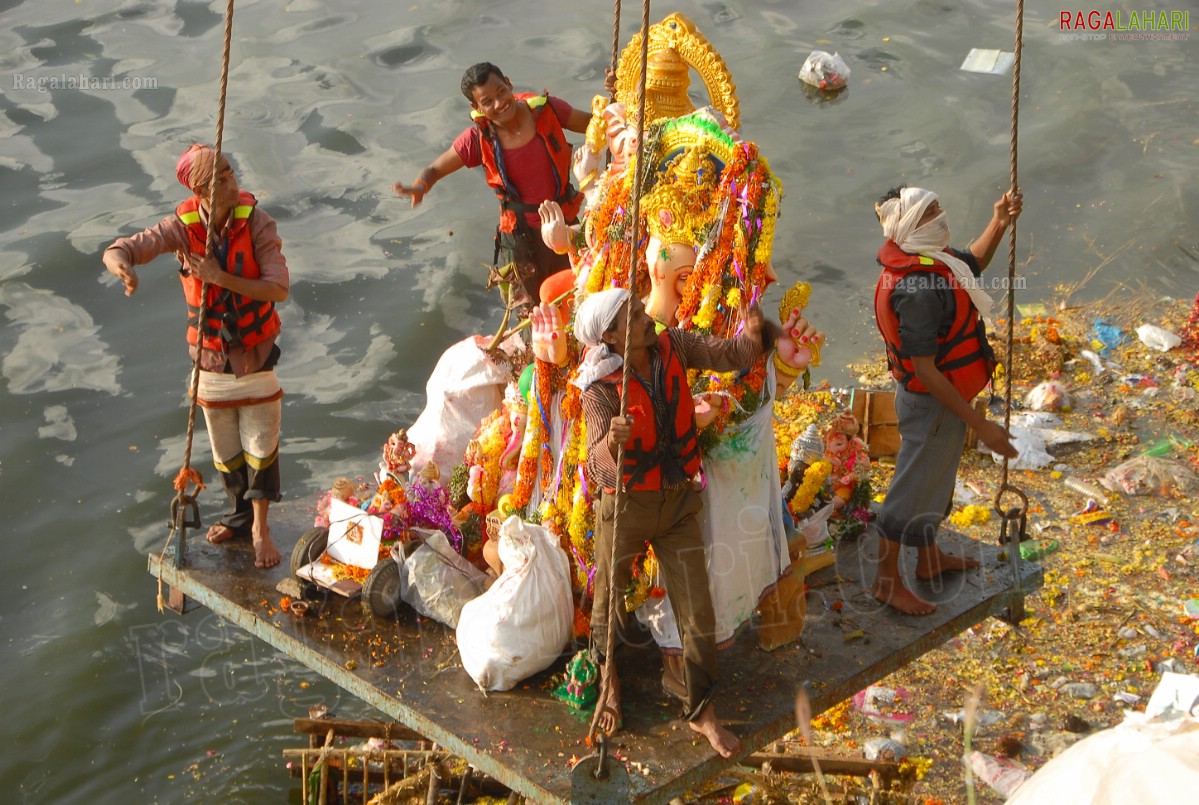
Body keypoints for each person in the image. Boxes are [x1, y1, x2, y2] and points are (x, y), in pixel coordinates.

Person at [577, 287, 779, 758]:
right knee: (607, 603)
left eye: (640, 308)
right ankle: (610, 687)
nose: (646, 315)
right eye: (634, 315)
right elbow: (597, 470)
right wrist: (612, 440)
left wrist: (752, 338)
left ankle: (701, 709)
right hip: (627, 510)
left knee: (697, 611)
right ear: (610, 335)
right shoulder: (598, 390)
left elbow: (725, 354)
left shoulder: (671, 343)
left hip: (677, 503)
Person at [102, 144, 289, 569]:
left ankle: (261, 527)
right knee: (225, 450)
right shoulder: (183, 228)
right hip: (209, 359)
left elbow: (278, 288)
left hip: (254, 354)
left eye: (229, 171)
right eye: (218, 179)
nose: (230, 181)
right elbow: (127, 247)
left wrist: (220, 277)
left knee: (261, 443)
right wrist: (122, 266)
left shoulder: (258, 223)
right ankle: (239, 517)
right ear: (200, 192)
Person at [870, 185, 1022, 614]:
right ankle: (886, 581)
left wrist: (1000, 221)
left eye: (939, 205)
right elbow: (925, 370)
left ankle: (928, 559)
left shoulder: (931, 259)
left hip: (941, 403)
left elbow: (970, 264)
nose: (942, 214)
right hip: (930, 404)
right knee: (910, 490)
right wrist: (981, 426)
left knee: (935, 481)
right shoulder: (916, 289)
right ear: (911, 225)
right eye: (931, 210)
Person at [393, 62, 592, 303]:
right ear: (475, 106)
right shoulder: (477, 138)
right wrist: (420, 186)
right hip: (521, 240)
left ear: (508, 83)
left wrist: (613, 101)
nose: (499, 104)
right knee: (533, 312)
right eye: (487, 101)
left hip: (566, 225)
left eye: (500, 92)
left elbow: (595, 125)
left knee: (584, 295)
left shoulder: (548, 111)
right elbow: (435, 169)